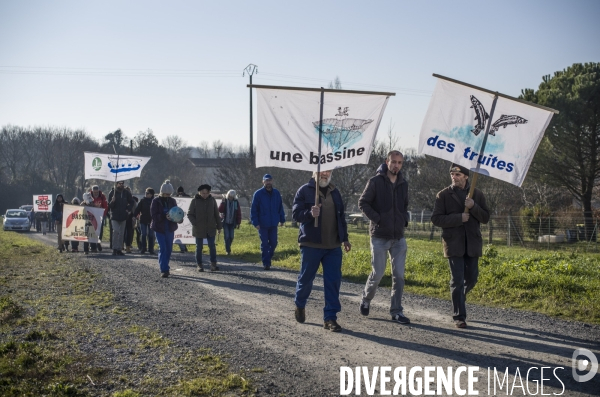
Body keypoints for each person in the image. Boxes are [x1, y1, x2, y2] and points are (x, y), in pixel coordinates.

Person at [431, 164, 490, 328]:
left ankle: (459, 297)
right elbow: (436, 219)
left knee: (472, 278)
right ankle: (459, 316)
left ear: (465, 176)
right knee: (457, 280)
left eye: (458, 174)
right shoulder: (443, 195)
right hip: (453, 243)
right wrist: (459, 217)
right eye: (452, 174)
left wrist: (473, 207)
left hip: (472, 243)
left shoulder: (476, 194)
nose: (454, 177)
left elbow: (485, 217)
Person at [292, 170, 352, 332]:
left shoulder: (335, 192)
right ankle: (300, 303)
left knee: (333, 282)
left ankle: (330, 318)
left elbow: (341, 218)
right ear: (315, 172)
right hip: (311, 244)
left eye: (328, 171)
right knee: (306, 279)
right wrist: (310, 213)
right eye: (321, 171)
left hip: (333, 246)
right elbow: (296, 214)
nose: (325, 174)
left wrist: (345, 238)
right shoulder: (304, 190)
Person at [358, 150, 411, 324]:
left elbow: (404, 206)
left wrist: (404, 219)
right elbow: (362, 203)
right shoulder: (375, 182)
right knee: (378, 273)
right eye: (393, 162)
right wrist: (378, 219)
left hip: (398, 237)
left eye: (400, 163)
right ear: (387, 162)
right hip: (380, 236)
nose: (396, 165)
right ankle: (366, 299)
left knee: (399, 276)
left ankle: (396, 311)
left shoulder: (404, 184)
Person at [250, 174, 286, 270]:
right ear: (263, 182)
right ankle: (266, 263)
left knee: (273, 243)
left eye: (269, 180)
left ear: (272, 181)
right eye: (266, 181)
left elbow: (280, 207)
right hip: (262, 223)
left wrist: (282, 219)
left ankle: (268, 258)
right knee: (265, 243)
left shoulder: (276, 193)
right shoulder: (258, 194)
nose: (268, 182)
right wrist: (255, 222)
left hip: (273, 223)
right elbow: (254, 209)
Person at [187, 184, 222, 272]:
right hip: (198, 228)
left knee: (212, 246)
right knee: (199, 247)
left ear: (209, 193)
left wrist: (219, 226)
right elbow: (190, 214)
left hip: (210, 227)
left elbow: (216, 214)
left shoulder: (212, 200)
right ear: (199, 193)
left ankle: (213, 264)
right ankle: (199, 265)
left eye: (206, 193)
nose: (204, 195)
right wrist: (195, 223)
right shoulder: (194, 201)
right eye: (203, 193)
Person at [151, 180, 181, 277]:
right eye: (166, 194)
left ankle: (165, 265)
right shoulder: (155, 201)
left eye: (169, 194)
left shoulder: (172, 201)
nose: (168, 196)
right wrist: (164, 216)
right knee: (162, 248)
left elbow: (176, 213)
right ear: (162, 192)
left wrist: (178, 219)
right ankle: (164, 269)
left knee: (168, 249)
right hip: (159, 228)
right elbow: (154, 216)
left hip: (170, 228)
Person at [108, 181, 134, 256]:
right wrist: (112, 201)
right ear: (116, 184)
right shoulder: (112, 193)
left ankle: (119, 249)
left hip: (123, 216)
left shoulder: (126, 193)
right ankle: (114, 248)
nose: (121, 185)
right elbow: (109, 206)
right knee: (116, 231)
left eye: (122, 184)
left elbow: (132, 202)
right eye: (120, 183)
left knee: (122, 233)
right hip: (114, 216)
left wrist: (128, 209)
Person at [218, 189, 242, 255]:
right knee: (227, 236)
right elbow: (220, 210)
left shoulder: (236, 202)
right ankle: (228, 251)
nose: (230, 197)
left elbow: (238, 212)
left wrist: (238, 222)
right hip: (225, 222)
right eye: (229, 196)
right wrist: (222, 203)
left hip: (232, 222)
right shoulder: (224, 201)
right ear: (228, 195)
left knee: (231, 236)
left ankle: (228, 246)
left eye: (232, 196)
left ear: (234, 196)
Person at [134, 188, 156, 254]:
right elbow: (137, 209)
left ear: (151, 194)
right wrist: (134, 216)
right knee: (143, 234)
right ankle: (143, 248)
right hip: (143, 219)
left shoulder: (154, 201)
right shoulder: (142, 201)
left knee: (151, 235)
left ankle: (151, 249)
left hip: (151, 220)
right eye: (146, 193)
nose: (146, 194)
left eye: (148, 193)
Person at [89, 185, 108, 252]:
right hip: (92, 217)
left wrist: (103, 214)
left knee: (100, 230)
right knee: (92, 230)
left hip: (100, 216)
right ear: (92, 191)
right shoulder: (89, 196)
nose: (96, 193)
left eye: (97, 192)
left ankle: (98, 242)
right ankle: (93, 246)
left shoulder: (102, 197)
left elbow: (105, 206)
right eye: (94, 192)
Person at [175, 186, 191, 253]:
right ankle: (182, 247)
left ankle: (184, 247)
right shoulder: (175, 198)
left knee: (185, 233)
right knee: (179, 233)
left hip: (185, 218)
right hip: (178, 218)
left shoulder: (187, 197)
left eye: (181, 192)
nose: (180, 193)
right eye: (179, 192)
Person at [123, 186, 136, 253]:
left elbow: (135, 209)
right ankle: (121, 245)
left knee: (129, 232)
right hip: (122, 217)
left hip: (130, 217)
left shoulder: (132, 200)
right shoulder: (122, 199)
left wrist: (134, 216)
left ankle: (128, 246)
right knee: (122, 232)